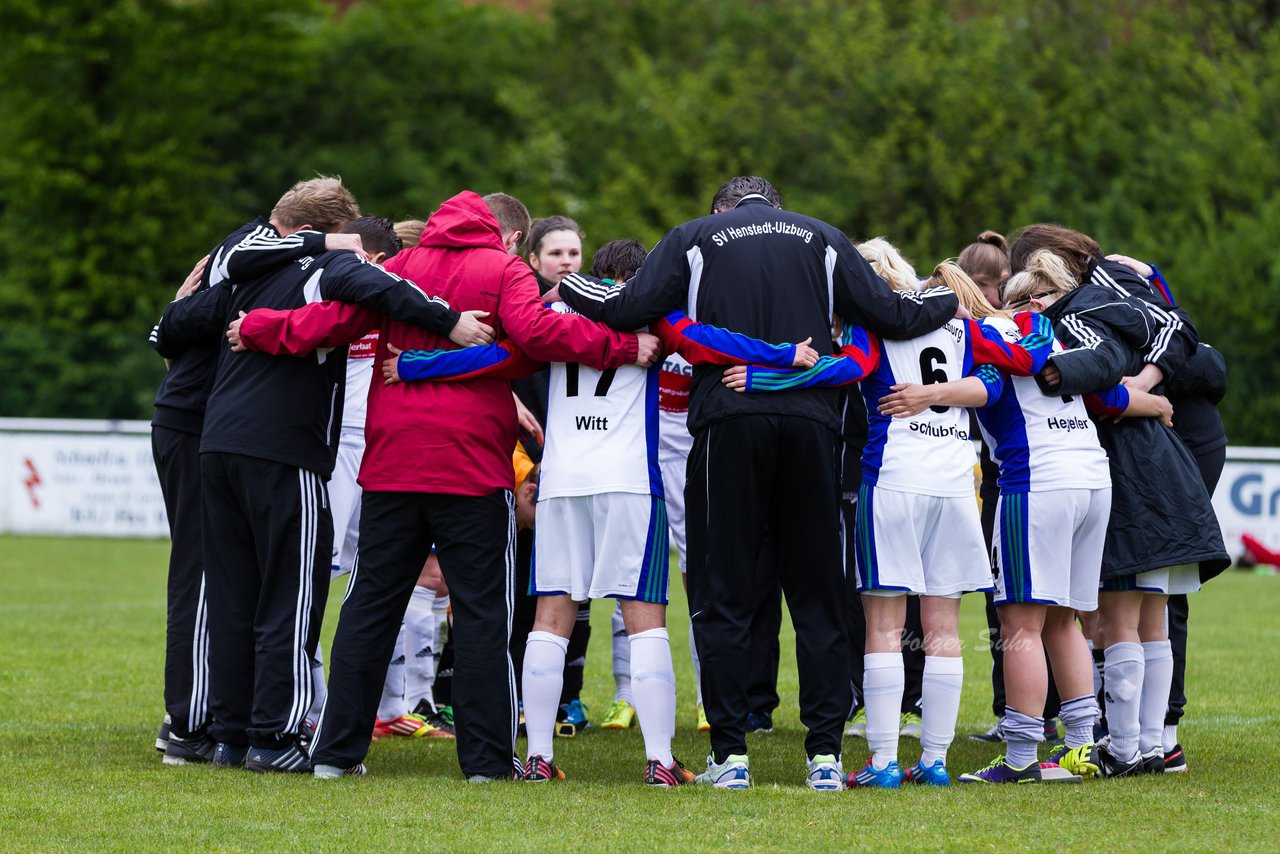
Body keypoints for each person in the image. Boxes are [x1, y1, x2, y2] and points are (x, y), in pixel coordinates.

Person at [230, 190, 656, 781]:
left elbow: (332, 321)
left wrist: (259, 326)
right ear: (502, 234)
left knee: (368, 608)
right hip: (472, 470)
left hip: (391, 466)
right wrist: (625, 347)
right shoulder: (504, 270)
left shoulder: (401, 267)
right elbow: (537, 335)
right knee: (484, 614)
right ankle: (484, 762)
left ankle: (335, 755)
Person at [551, 176, 959, 790]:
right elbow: (891, 314)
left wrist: (562, 284)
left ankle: (731, 754)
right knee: (818, 592)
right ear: (775, 203)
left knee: (725, 590)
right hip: (811, 424)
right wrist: (953, 301)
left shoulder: (693, 237)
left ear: (723, 210)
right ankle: (823, 756)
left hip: (727, 425)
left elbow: (622, 309)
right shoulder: (820, 235)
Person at [154, 187, 493, 773]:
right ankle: (276, 739)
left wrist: (173, 328)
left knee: (233, 596)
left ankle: (228, 736)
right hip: (285, 450)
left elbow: (178, 321)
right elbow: (382, 289)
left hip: (218, 445)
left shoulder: (249, 268)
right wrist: (452, 322)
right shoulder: (337, 266)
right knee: (291, 597)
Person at [723, 247, 1050, 788]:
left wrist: (763, 379)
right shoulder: (961, 326)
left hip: (893, 481)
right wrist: (1032, 320)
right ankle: (936, 762)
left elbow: (841, 371)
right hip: (953, 485)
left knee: (883, 627)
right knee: (943, 627)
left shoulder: (870, 326)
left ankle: (881, 764)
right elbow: (1023, 361)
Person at [1010, 224, 1229, 771]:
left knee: (1119, 616)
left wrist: (1112, 389)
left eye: (1028, 297)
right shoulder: (1121, 301)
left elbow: (1105, 366)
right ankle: (1154, 745)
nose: (1025, 310)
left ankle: (1128, 747)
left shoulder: (1078, 315)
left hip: (1127, 472)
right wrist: (1148, 393)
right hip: (1162, 464)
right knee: (1150, 616)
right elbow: (1179, 332)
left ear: (1044, 288)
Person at [149, 253, 212, 764]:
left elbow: (166, 344)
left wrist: (175, 311)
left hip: (185, 423)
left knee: (204, 568)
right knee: (201, 569)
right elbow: (169, 344)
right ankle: (188, 720)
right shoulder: (255, 272)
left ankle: (189, 717)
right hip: (196, 429)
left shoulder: (221, 269)